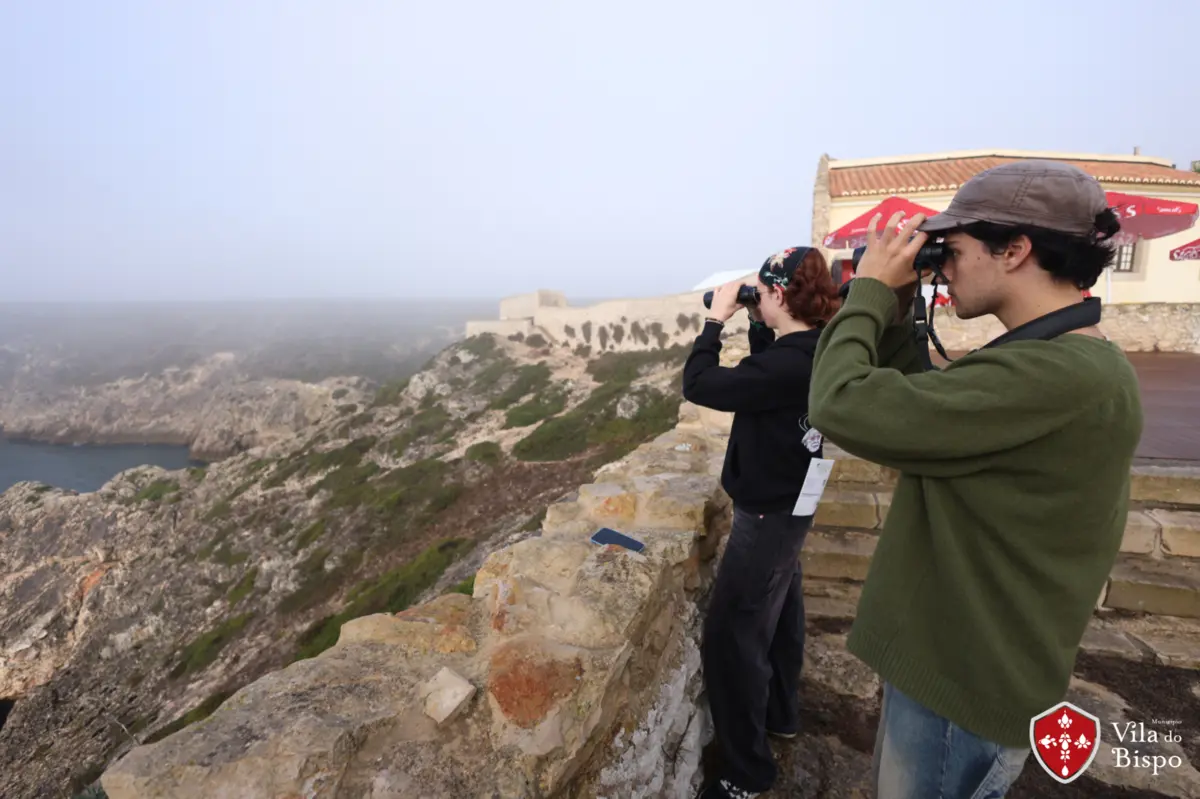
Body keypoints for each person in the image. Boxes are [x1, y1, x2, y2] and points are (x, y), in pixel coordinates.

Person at [807, 160, 1144, 798]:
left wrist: (868, 293)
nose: (943, 267)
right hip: (957, 664)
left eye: (952, 250)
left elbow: (840, 403)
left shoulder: (1061, 373)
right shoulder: (1056, 359)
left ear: (1014, 250)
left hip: (962, 687)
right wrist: (899, 309)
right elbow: (924, 419)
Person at [682, 246, 841, 799]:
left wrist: (714, 321)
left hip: (768, 515)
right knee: (782, 613)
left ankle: (746, 772)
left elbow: (700, 384)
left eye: (761, 291)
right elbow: (766, 386)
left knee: (733, 638)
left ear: (777, 293)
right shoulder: (819, 348)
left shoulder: (787, 364)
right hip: (793, 504)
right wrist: (758, 323)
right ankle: (781, 714)